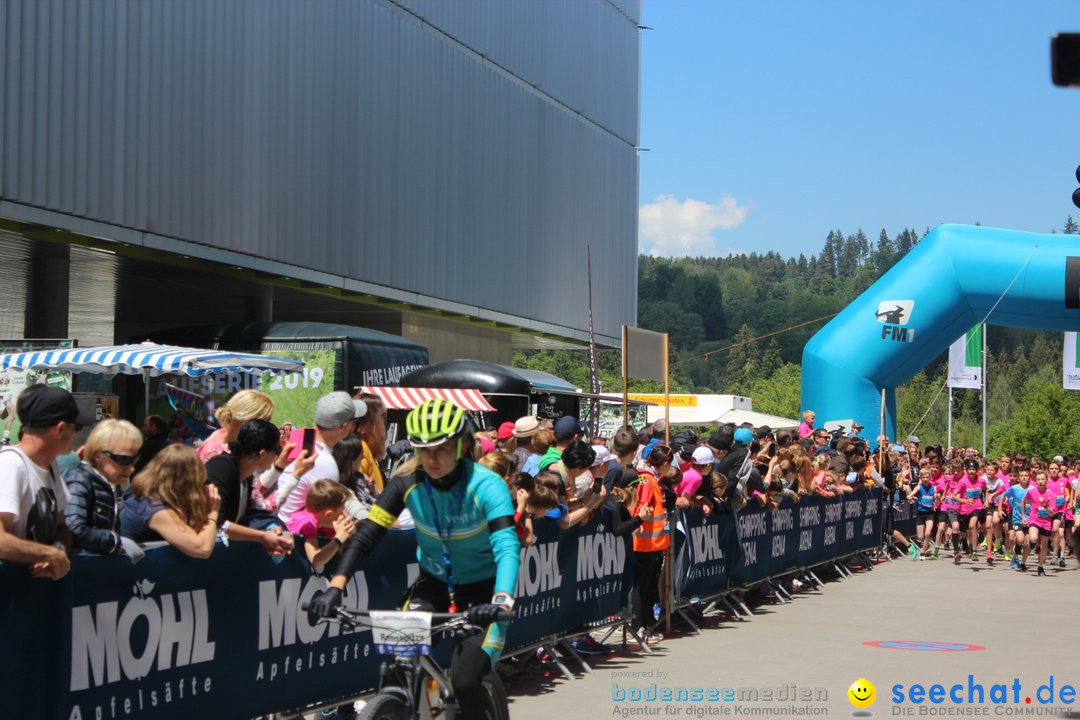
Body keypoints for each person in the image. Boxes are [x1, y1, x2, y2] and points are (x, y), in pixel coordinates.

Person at [308, 398, 520, 718]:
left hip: (484, 591)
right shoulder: (406, 483)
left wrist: (503, 599)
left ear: (462, 446)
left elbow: (506, 544)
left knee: (464, 681)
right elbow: (367, 536)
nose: (431, 460)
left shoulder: (487, 484)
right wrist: (336, 586)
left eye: (441, 449)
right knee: (397, 664)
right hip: (433, 585)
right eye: (423, 450)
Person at [0, 385, 91, 579]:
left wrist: (57, 549)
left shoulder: (51, 467)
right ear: (61, 428)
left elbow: (62, 527)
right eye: (76, 427)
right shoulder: (11, 465)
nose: (75, 434)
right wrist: (48, 554)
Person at [203, 419, 295, 557]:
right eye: (277, 449)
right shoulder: (221, 468)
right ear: (262, 454)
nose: (278, 455)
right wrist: (262, 536)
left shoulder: (247, 476)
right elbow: (217, 522)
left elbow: (253, 511)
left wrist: (269, 528)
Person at [275, 391, 367, 523]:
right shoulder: (324, 462)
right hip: (298, 536)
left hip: (285, 525)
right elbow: (335, 512)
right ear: (344, 427)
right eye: (354, 421)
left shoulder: (301, 440)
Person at [119, 444, 221, 559]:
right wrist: (212, 512)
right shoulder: (153, 507)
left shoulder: (144, 493)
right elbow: (202, 549)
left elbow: (193, 532)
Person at [64, 419, 144, 556]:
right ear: (98, 456)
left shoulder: (103, 482)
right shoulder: (80, 479)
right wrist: (115, 542)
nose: (131, 468)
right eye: (123, 459)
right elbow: (73, 529)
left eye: (134, 459)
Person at [286, 479, 356, 573]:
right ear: (328, 514)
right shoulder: (307, 523)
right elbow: (316, 561)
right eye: (342, 510)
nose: (345, 514)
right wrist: (339, 538)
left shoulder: (324, 523)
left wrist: (351, 530)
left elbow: (343, 551)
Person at [197, 390, 274, 462]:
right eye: (263, 424)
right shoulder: (224, 459)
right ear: (246, 422)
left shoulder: (221, 433)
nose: (265, 430)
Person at [355, 393, 388, 492]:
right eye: (382, 418)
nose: (384, 425)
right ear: (365, 425)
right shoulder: (361, 452)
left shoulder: (367, 451)